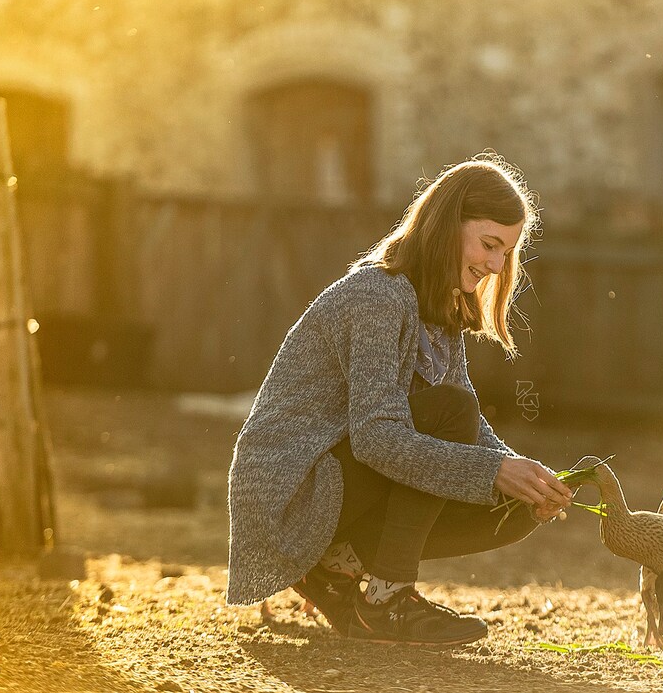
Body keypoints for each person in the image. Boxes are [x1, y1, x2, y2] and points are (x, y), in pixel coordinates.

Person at [227, 151, 573, 646]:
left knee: (514, 505)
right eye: (489, 245)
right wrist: (493, 469)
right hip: (291, 491)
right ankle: (384, 599)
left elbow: (468, 427)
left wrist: (525, 474)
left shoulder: (442, 305)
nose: (497, 266)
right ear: (447, 225)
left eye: (506, 253)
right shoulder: (378, 295)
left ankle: (335, 566)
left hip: (341, 484)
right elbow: (377, 438)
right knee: (454, 417)